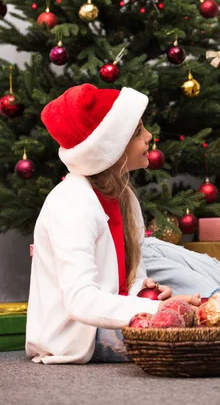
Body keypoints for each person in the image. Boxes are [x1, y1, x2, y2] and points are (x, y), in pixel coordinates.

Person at [25, 83, 200, 364]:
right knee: (193, 337)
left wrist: (151, 295)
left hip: (110, 320)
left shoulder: (124, 197)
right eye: (138, 132)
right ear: (113, 147)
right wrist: (155, 311)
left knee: (194, 322)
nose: (149, 137)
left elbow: (127, 280)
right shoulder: (71, 203)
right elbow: (80, 300)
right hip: (80, 335)